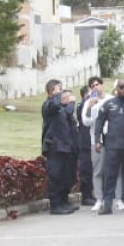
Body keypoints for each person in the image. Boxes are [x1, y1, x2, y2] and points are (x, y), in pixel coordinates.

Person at [94, 79, 124, 214]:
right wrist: (97, 140)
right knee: (110, 175)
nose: (123, 90)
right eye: (120, 87)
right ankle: (107, 204)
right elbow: (99, 122)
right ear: (116, 88)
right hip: (112, 146)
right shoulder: (108, 104)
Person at [39, 79, 79, 215]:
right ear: (51, 92)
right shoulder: (48, 105)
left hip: (64, 146)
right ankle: (55, 204)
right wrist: (60, 97)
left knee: (64, 176)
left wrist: (71, 102)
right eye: (58, 89)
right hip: (54, 146)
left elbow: (68, 112)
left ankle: (63, 201)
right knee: (55, 175)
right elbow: (54, 105)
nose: (61, 92)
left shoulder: (60, 108)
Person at [76, 77, 105, 209]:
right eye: (92, 86)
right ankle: (90, 196)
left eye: (97, 85)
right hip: (89, 141)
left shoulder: (108, 100)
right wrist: (90, 105)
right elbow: (86, 121)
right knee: (91, 170)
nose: (95, 88)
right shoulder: (86, 104)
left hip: (107, 139)